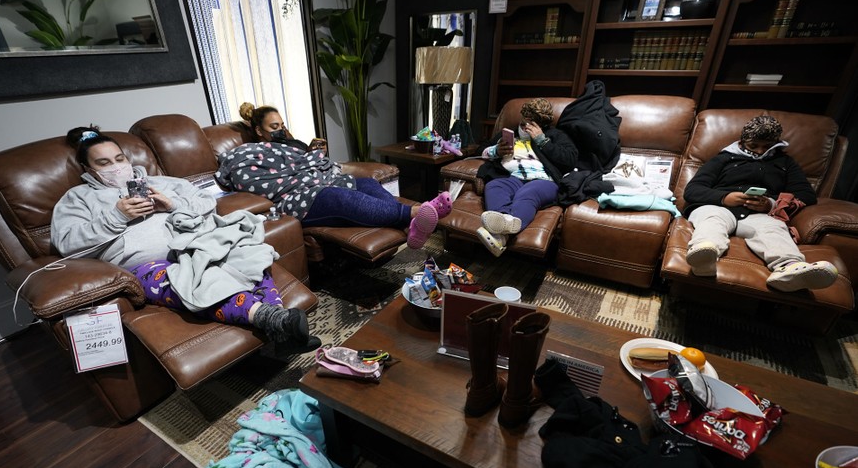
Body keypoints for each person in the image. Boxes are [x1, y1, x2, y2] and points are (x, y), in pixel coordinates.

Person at [51, 126, 320, 354]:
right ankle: (273, 319)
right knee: (189, 282)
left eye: (119, 159)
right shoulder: (78, 198)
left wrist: (172, 204)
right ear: (88, 169)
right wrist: (116, 216)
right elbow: (66, 243)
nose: (116, 167)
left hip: (197, 243)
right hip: (147, 265)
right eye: (104, 163)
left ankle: (281, 329)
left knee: (249, 256)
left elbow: (206, 202)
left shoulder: (163, 182)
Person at [216, 103, 452, 250]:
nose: (280, 130)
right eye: (273, 127)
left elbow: (308, 162)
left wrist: (314, 157)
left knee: (366, 183)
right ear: (258, 130)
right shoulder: (246, 152)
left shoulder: (290, 145)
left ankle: (412, 226)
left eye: (282, 125)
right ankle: (416, 212)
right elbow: (248, 178)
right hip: (296, 198)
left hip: (319, 181)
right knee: (339, 196)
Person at [683, 115, 838, 292]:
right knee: (712, 219)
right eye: (753, 146)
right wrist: (724, 197)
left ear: (776, 144)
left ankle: (790, 270)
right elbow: (692, 190)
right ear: (742, 142)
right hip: (718, 207)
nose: (759, 151)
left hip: (758, 215)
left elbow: (807, 195)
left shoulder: (785, 162)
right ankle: (704, 258)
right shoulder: (723, 158)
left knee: (774, 228)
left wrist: (771, 204)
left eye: (766, 146)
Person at [474, 98, 579, 256]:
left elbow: (570, 159)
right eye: (523, 123)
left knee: (528, 193)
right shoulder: (508, 134)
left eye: (530, 125)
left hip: (543, 181)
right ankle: (503, 226)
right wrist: (495, 151)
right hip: (512, 178)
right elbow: (480, 149)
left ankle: (505, 229)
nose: (524, 128)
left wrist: (542, 141)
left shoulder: (555, 135)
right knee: (494, 186)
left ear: (542, 125)